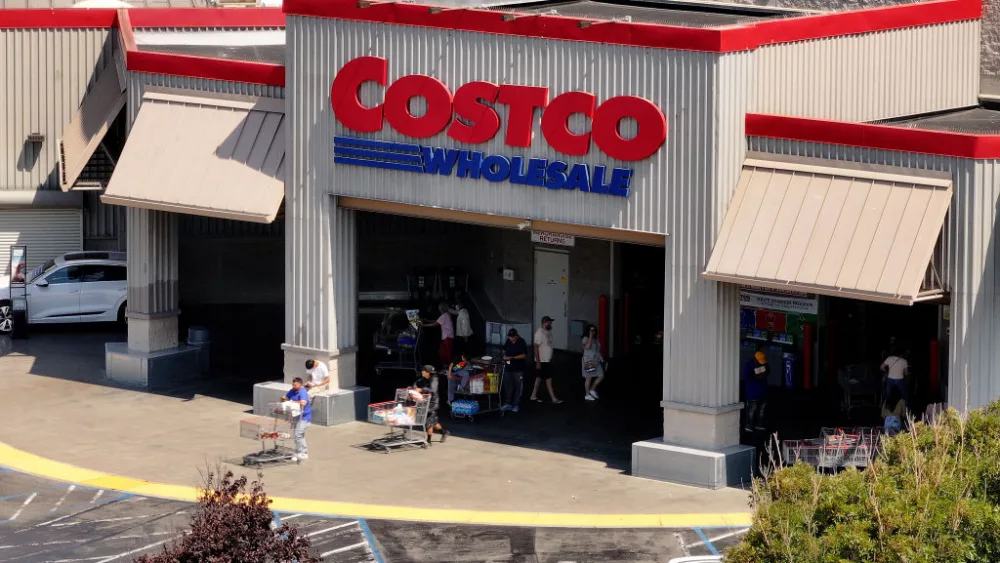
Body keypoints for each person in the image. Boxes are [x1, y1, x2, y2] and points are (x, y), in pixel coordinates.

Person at [531, 316, 562, 404]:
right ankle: (553, 398)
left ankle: (533, 395)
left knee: (539, 378)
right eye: (549, 322)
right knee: (548, 379)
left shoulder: (548, 331)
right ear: (544, 323)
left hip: (547, 360)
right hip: (542, 361)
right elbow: (536, 348)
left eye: (551, 322)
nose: (550, 324)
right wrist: (538, 362)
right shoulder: (539, 333)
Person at [414, 364, 448, 444]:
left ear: (427, 372)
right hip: (427, 401)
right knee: (433, 421)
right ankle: (444, 432)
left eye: (423, 370)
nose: (422, 372)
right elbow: (417, 382)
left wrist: (421, 389)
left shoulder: (434, 379)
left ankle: (428, 441)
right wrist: (414, 387)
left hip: (433, 403)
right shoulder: (424, 378)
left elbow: (432, 390)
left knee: (428, 421)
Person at [281, 377, 311, 462]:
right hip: (296, 416)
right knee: (298, 435)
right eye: (293, 384)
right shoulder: (292, 391)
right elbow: (285, 397)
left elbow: (303, 403)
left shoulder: (303, 392)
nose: (293, 386)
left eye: (295, 385)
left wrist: (292, 402)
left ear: (300, 384)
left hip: (304, 417)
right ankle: (303, 452)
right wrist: (284, 399)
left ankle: (301, 452)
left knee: (298, 435)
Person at [501, 328, 528, 412]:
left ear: (516, 335)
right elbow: (504, 349)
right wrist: (504, 354)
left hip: (518, 368)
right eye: (509, 337)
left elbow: (524, 355)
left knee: (518, 386)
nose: (511, 338)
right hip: (508, 367)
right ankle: (508, 403)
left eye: (512, 337)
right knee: (508, 385)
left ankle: (516, 404)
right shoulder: (508, 341)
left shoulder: (521, 342)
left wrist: (513, 357)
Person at [743, 349, 769, 432]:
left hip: (762, 391)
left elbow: (768, 370)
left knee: (761, 410)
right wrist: (757, 374)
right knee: (751, 410)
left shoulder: (764, 364)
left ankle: (759, 424)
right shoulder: (749, 365)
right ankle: (749, 425)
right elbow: (747, 377)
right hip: (753, 392)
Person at [423, 303, 455, 368]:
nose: (439, 309)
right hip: (447, 337)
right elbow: (437, 321)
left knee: (447, 353)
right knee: (443, 352)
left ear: (441, 308)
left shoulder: (445, 315)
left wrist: (424, 325)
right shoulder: (446, 315)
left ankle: (450, 368)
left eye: (439, 308)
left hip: (447, 337)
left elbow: (436, 324)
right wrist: (427, 321)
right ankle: (447, 367)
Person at [581, 325, 605, 401]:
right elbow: (587, 347)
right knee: (589, 378)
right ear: (588, 331)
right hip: (589, 361)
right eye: (591, 330)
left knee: (601, 375)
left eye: (594, 330)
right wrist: (590, 337)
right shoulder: (585, 338)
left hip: (596, 360)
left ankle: (592, 389)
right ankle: (587, 395)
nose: (592, 332)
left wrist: (602, 359)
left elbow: (597, 350)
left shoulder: (596, 340)